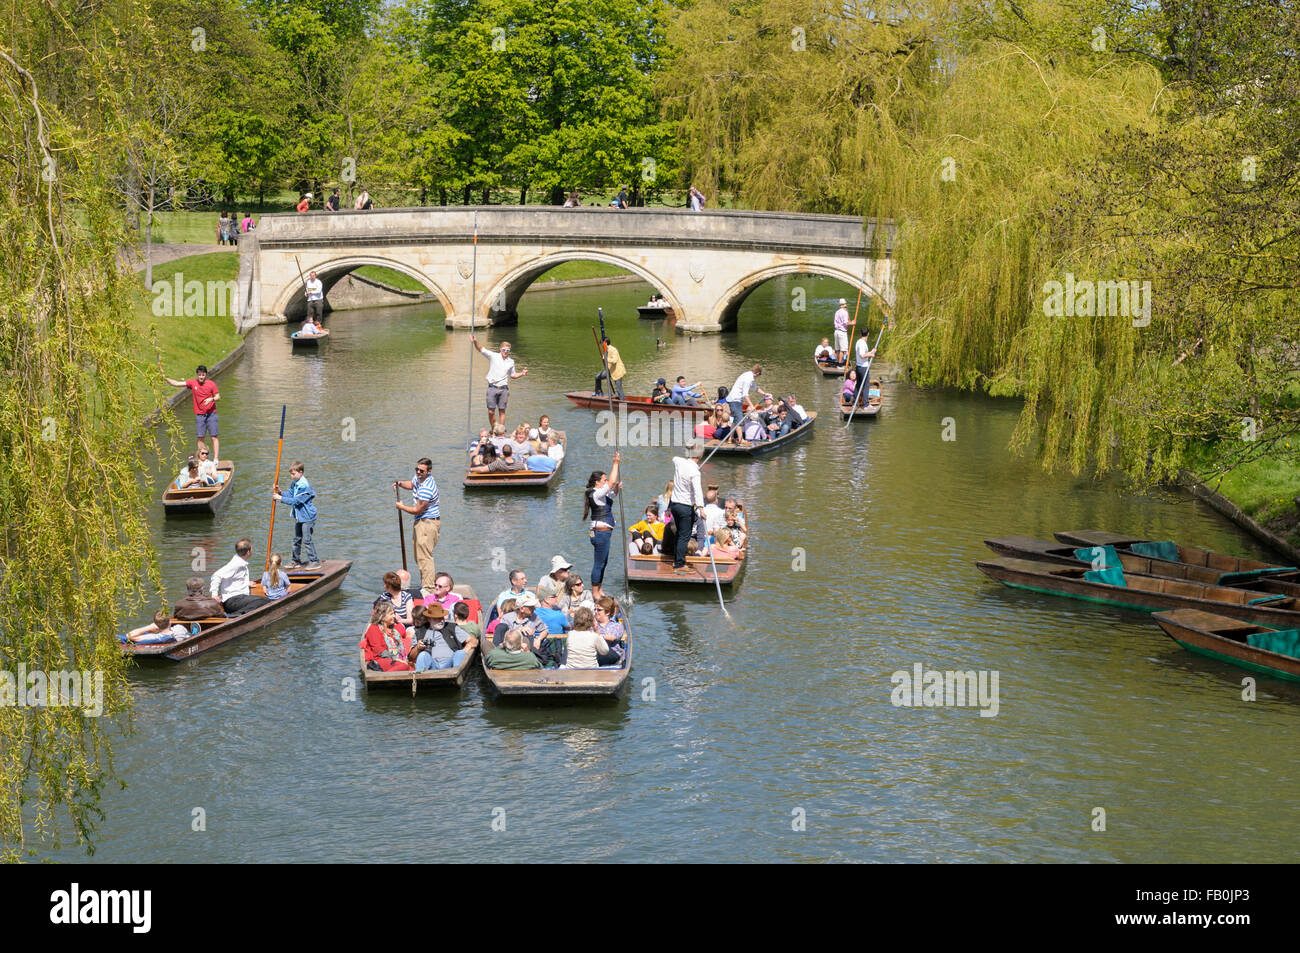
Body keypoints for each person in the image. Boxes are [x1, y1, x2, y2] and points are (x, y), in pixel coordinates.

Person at [393, 458, 440, 594]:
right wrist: (401, 484)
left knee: (425, 557)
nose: (418, 472)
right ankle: (425, 584)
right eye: (417, 469)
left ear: (429, 471)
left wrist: (401, 507)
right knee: (419, 556)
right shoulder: (420, 479)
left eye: (421, 471)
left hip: (427, 522)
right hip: (421, 522)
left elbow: (418, 509)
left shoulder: (427, 488)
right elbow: (412, 484)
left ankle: (428, 589)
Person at [163, 364, 221, 466]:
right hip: (200, 415)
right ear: (197, 375)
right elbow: (176, 383)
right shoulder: (192, 383)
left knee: (214, 437)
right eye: (199, 375)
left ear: (206, 375)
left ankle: (216, 459)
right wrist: (164, 378)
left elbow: (218, 396)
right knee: (200, 438)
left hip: (211, 414)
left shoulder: (211, 384)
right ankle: (201, 459)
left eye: (203, 375)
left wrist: (211, 399)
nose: (201, 377)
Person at [583, 451, 621, 601]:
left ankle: (600, 589)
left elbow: (613, 494)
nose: (606, 482)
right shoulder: (596, 493)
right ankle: (594, 593)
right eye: (604, 480)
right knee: (599, 563)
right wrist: (615, 463)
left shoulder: (601, 494)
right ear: (597, 482)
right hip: (600, 533)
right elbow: (610, 483)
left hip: (603, 532)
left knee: (604, 562)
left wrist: (616, 487)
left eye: (606, 480)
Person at [471, 334, 528, 429]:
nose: (505, 352)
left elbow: (513, 375)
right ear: (500, 349)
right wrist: (475, 341)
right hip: (492, 387)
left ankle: (500, 431)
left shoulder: (511, 361)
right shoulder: (493, 356)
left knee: (502, 411)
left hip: (504, 389)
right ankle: (494, 429)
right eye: (504, 350)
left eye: (508, 350)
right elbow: (481, 349)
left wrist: (522, 373)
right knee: (491, 411)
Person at [273, 461, 319, 568]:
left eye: (293, 474)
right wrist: (280, 492)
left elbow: (296, 501)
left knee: (307, 540)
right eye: (291, 474)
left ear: (301, 472)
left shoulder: (304, 486)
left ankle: (314, 561)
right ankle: (296, 561)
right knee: (297, 539)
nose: (291, 476)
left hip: (308, 517)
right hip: (300, 517)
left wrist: (280, 498)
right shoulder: (295, 483)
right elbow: (290, 493)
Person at [210, 538, 270, 615]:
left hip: (237, 599)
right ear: (248, 552)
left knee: (265, 601)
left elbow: (236, 579)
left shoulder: (240, 562)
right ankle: (235, 615)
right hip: (233, 601)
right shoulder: (236, 564)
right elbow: (216, 575)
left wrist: (246, 583)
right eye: (251, 548)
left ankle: (239, 614)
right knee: (264, 601)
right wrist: (214, 594)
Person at [668, 445, 704, 572]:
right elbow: (698, 491)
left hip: (675, 505)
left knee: (679, 535)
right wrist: (701, 508)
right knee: (684, 536)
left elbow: (674, 458)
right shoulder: (695, 472)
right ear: (700, 457)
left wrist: (689, 447)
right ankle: (679, 564)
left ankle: (677, 560)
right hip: (685, 507)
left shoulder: (679, 462)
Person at [411, 603, 472, 671]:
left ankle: (456, 676)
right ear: (429, 619)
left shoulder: (451, 627)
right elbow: (411, 657)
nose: (442, 621)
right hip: (432, 665)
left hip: (450, 664)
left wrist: (465, 649)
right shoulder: (420, 632)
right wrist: (418, 648)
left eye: (442, 617)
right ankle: (419, 679)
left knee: (460, 653)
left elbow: (472, 641)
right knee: (423, 655)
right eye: (438, 618)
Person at [361, 602, 412, 671]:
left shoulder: (394, 629)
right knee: (404, 666)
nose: (394, 616)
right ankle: (385, 676)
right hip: (381, 659)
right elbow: (379, 651)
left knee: (411, 668)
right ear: (382, 616)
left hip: (396, 660)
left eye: (394, 613)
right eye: (391, 614)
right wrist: (397, 660)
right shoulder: (374, 629)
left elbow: (401, 645)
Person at [123, 609, 190, 644]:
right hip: (180, 639)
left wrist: (148, 627)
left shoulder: (154, 637)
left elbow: (128, 636)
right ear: (170, 621)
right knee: (190, 634)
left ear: (155, 624)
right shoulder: (179, 628)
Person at [593, 596, 627, 661]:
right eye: (595, 609)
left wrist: (596, 630)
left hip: (611, 654)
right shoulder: (591, 624)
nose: (596, 612)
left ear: (608, 612)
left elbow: (612, 638)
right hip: (595, 653)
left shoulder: (617, 625)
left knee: (601, 651)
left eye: (599, 610)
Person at [593, 335, 626, 399]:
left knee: (619, 388)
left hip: (617, 371)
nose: (601, 345)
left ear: (605, 343)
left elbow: (614, 361)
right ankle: (598, 392)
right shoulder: (606, 350)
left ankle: (623, 402)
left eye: (602, 344)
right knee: (597, 377)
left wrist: (605, 358)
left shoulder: (613, 350)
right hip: (610, 370)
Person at [854, 332, 877, 404]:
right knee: (866, 385)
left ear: (861, 334)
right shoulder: (862, 343)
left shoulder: (858, 342)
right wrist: (870, 355)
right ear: (868, 334)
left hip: (858, 366)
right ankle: (866, 404)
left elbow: (863, 353)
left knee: (858, 384)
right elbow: (862, 355)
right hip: (863, 367)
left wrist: (871, 352)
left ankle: (855, 402)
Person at [833, 298, 852, 365]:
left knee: (837, 349)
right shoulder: (844, 312)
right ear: (845, 305)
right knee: (842, 350)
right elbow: (846, 323)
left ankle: (837, 362)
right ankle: (840, 364)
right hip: (842, 332)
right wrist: (853, 323)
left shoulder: (837, 312)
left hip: (836, 332)